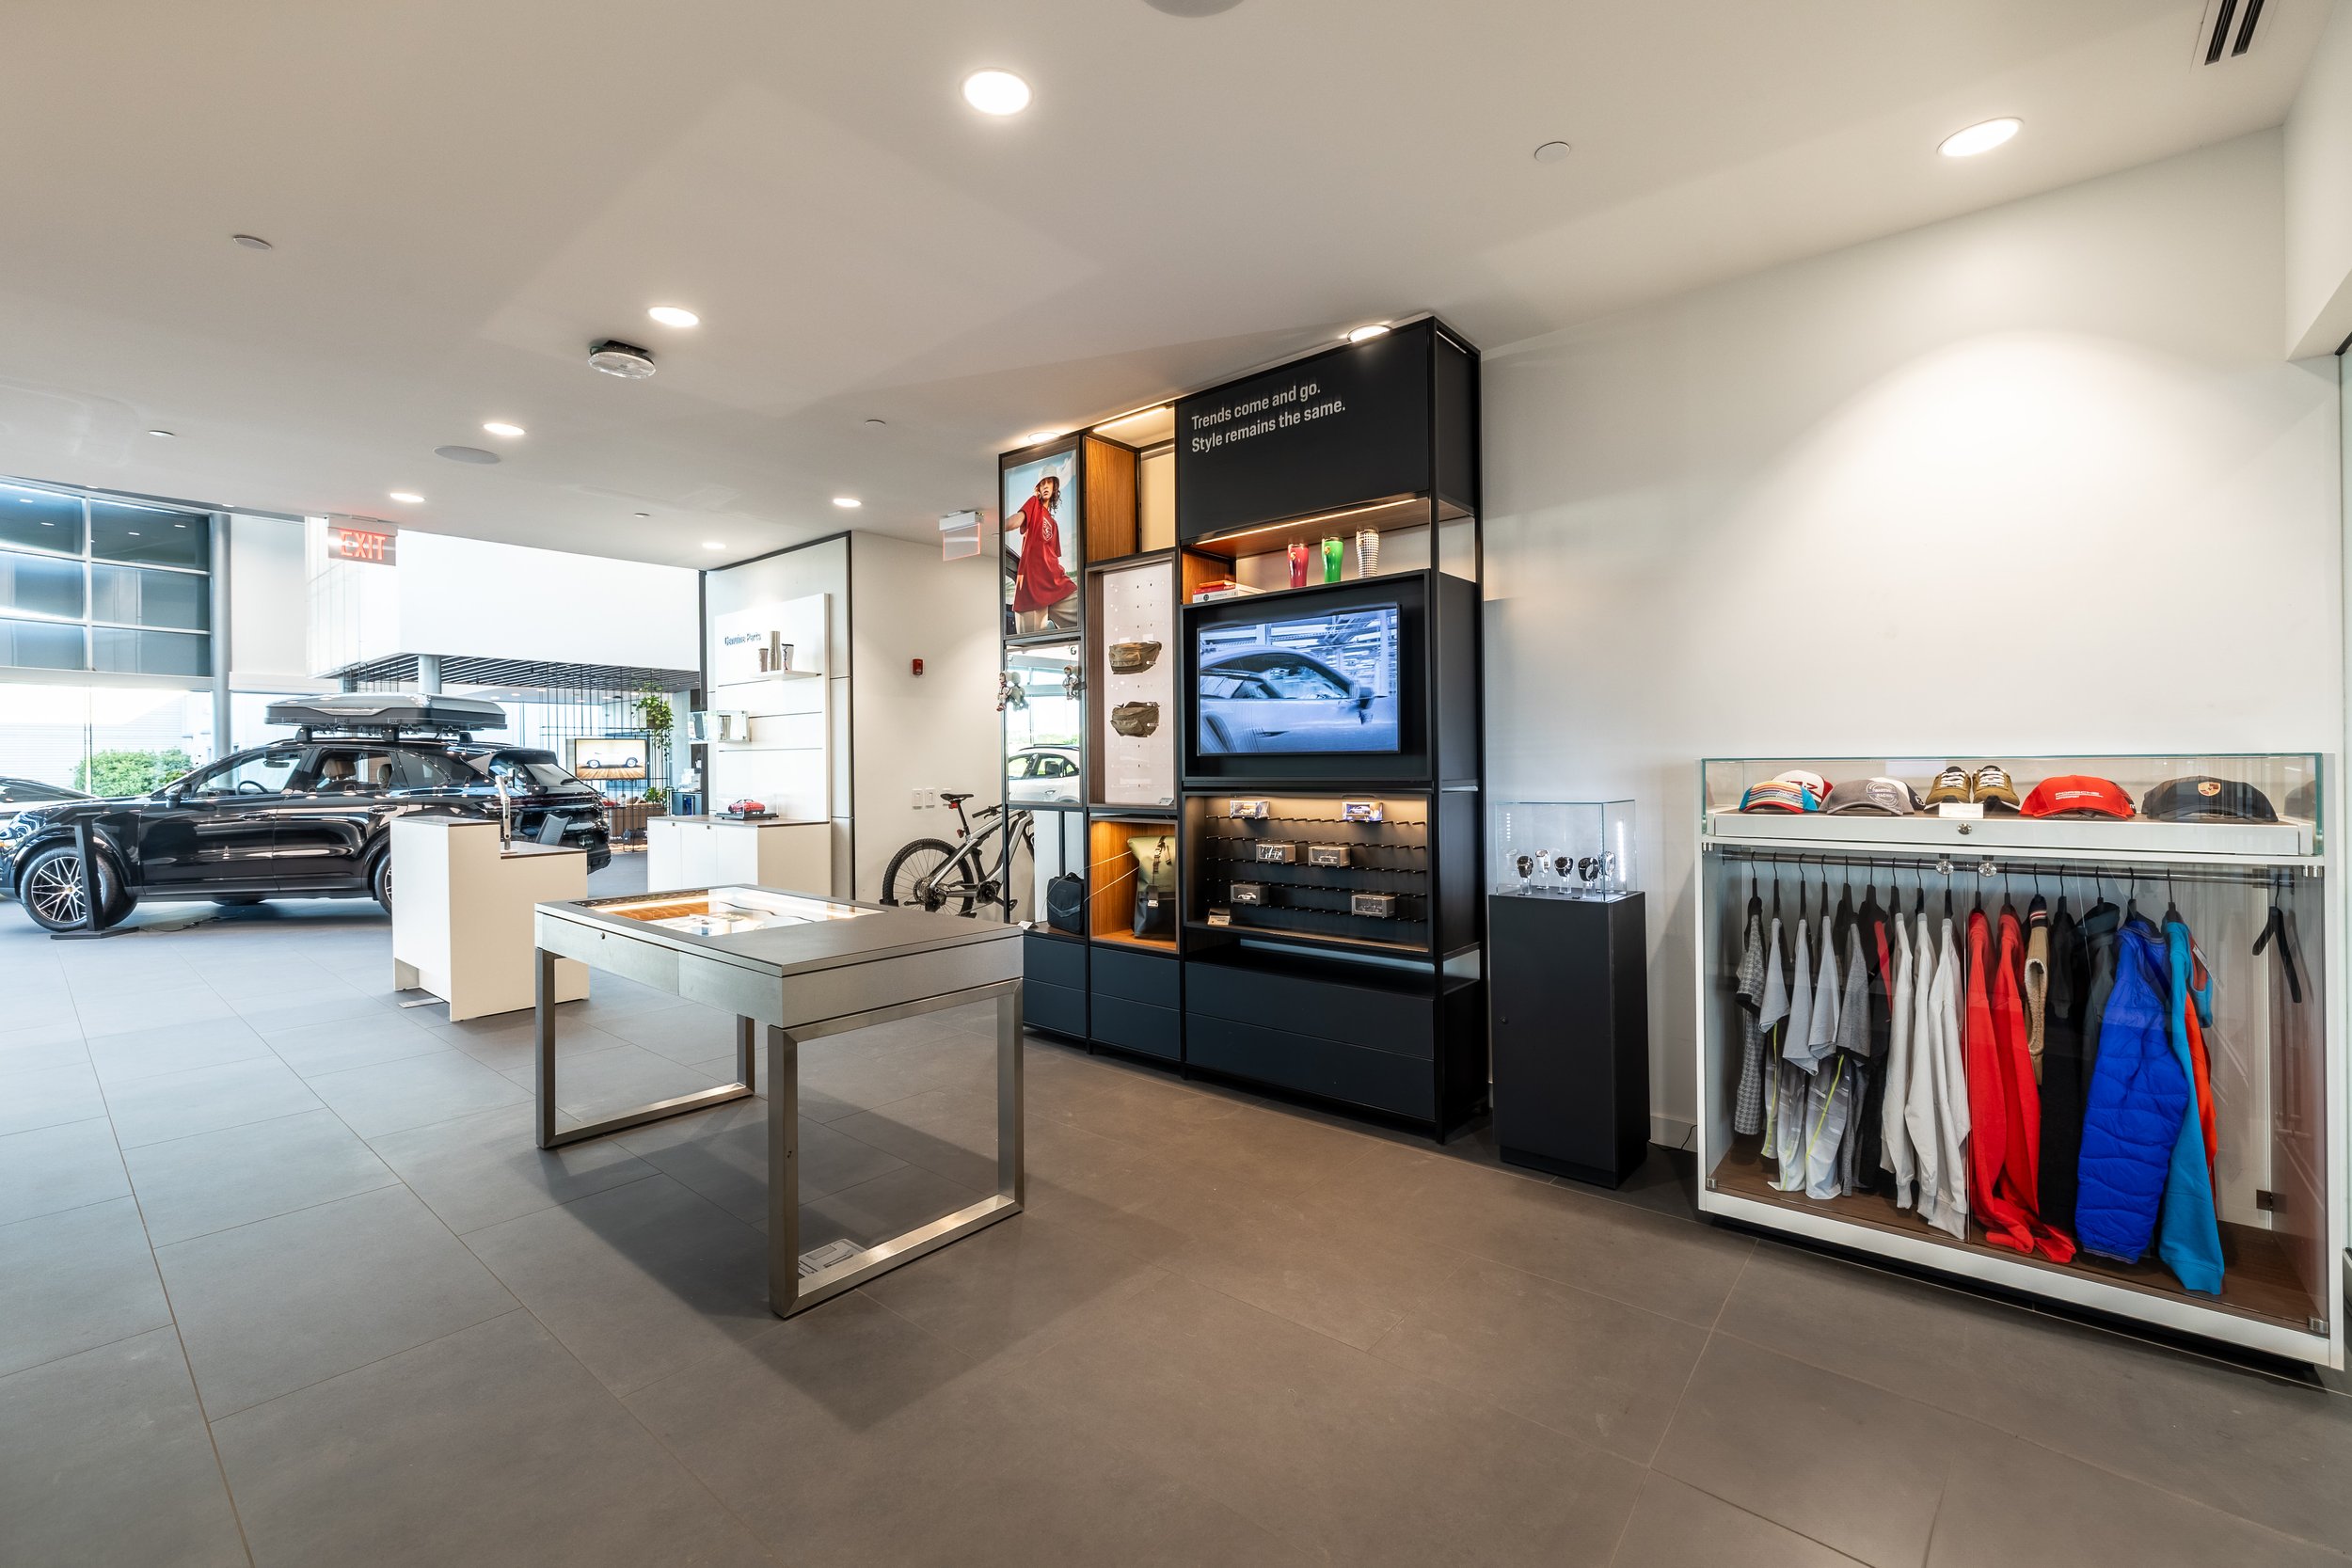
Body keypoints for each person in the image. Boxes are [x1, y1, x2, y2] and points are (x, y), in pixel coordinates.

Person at [1007, 472, 1077, 634]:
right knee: (1032, 645)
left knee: (1086, 615)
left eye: (1049, 482)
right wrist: (996, 526)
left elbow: (1053, 557)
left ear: (1054, 487)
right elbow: (1017, 519)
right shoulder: (1034, 505)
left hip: (1055, 583)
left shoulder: (1053, 524)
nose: (1046, 486)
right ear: (1038, 488)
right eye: (1042, 483)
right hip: (1032, 586)